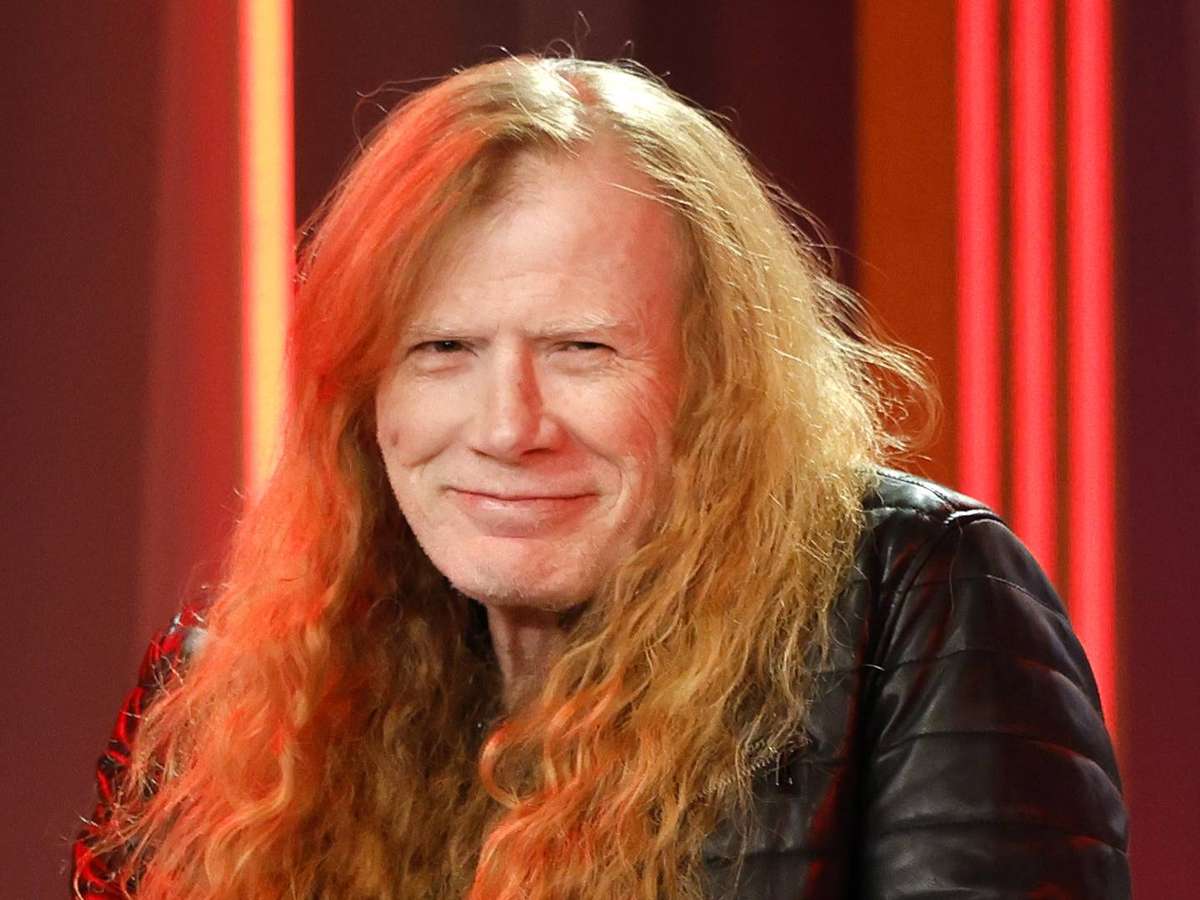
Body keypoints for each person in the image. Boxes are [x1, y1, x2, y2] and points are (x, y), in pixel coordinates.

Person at [72, 56, 1130, 899]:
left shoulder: (913, 599)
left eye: (583, 349)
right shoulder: (223, 699)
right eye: (442, 349)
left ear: (715, 376)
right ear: (363, 393)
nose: (508, 426)